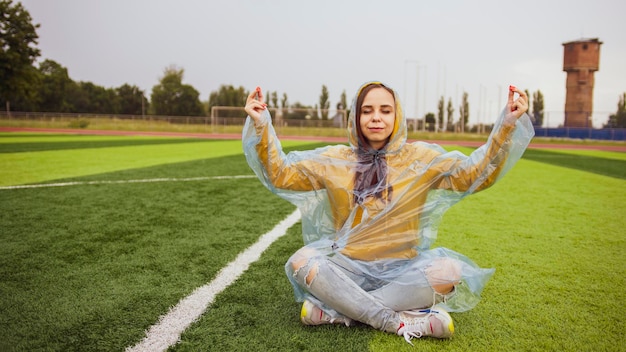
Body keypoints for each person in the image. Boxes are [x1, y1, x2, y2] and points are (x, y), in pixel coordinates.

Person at [243, 81, 533, 345]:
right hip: (348, 270)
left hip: (404, 271)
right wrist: (261, 124)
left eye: (385, 110)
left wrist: (506, 125)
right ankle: (396, 321)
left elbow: (473, 174)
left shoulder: (421, 158)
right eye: (367, 111)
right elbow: (282, 174)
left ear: (397, 116)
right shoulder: (334, 160)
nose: (376, 117)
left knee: (449, 272)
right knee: (301, 262)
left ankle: (339, 312)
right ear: (356, 118)